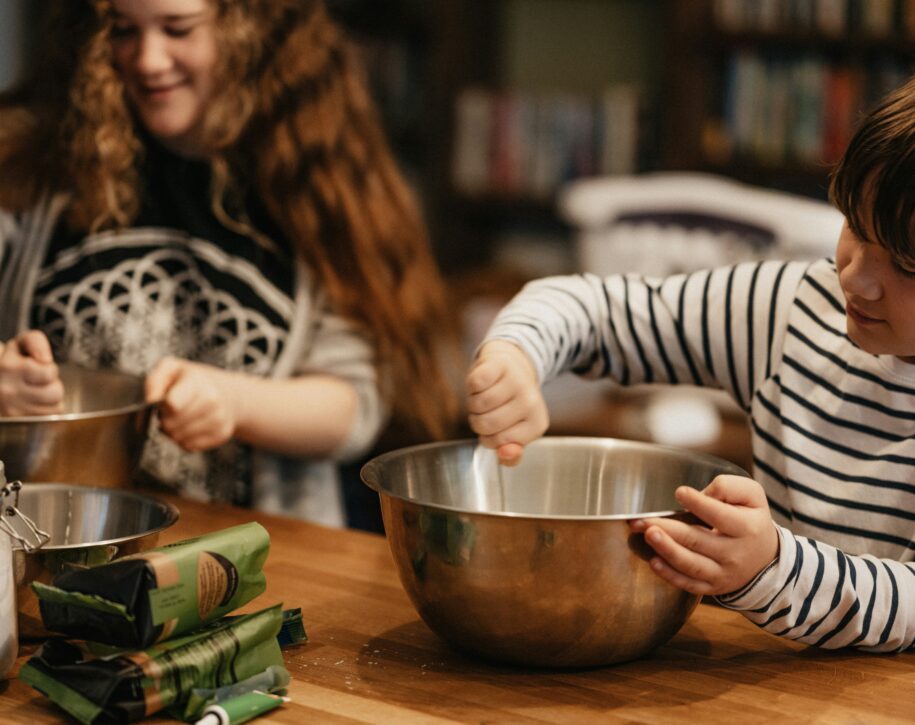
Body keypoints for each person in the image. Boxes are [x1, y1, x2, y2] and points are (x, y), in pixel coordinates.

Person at [466, 76, 915, 652]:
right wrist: (516, 356)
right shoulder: (793, 308)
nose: (855, 277)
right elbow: (592, 308)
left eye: (904, 264)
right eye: (855, 225)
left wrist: (772, 568)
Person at [0, 0, 457, 526]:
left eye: (178, 28)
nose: (147, 60)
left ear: (248, 29)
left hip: (254, 559)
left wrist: (233, 402)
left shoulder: (315, 181)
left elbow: (353, 409)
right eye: (123, 31)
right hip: (44, 538)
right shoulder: (30, 168)